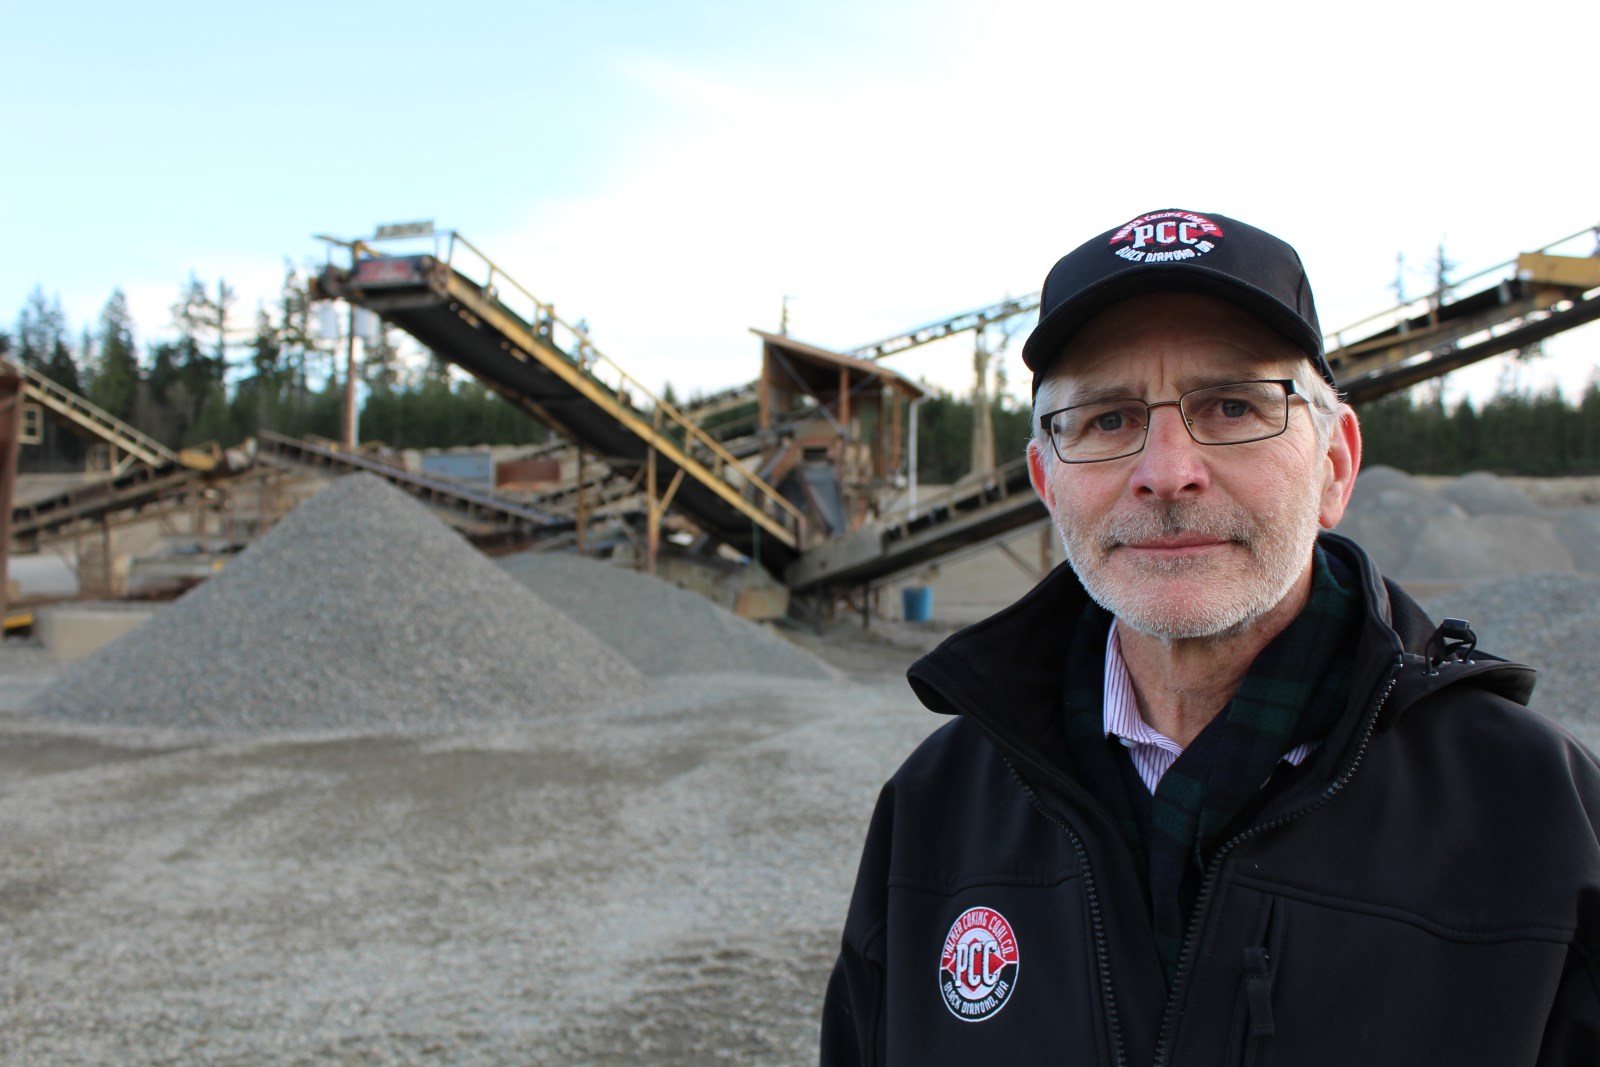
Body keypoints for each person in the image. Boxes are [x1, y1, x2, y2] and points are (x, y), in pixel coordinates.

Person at [821, 209, 1600, 1066]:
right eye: (1108, 419)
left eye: (1233, 405)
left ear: (1335, 464)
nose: (1166, 471)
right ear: (1048, 482)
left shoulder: (1541, 819)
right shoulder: (934, 810)